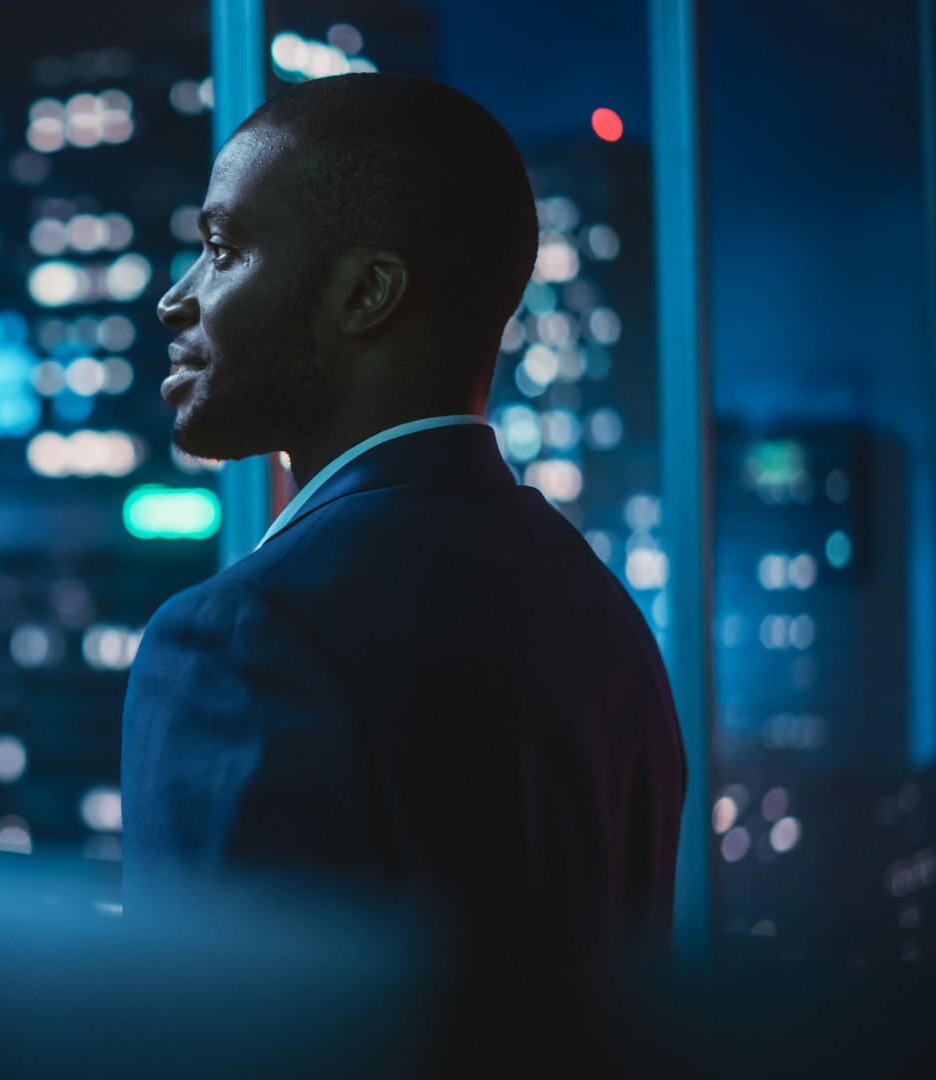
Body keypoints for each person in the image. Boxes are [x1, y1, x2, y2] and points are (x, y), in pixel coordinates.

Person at [120, 73, 685, 965]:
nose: (176, 298)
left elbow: (206, 1039)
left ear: (367, 294)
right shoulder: (599, 609)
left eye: (223, 251)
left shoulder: (244, 640)